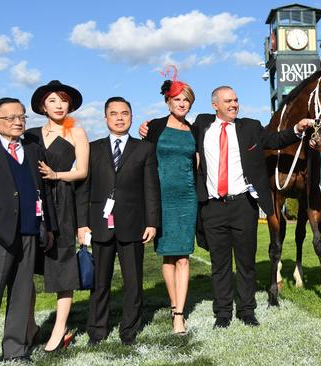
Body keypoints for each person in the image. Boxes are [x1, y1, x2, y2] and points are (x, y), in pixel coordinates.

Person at [190, 86, 310, 328]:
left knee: (246, 262)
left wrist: (297, 130)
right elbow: (176, 129)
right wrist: (149, 127)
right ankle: (222, 314)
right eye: (228, 101)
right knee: (220, 264)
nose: (234, 104)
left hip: (243, 205)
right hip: (212, 207)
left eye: (236, 99)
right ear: (215, 105)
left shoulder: (251, 127)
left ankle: (247, 311)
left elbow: (276, 140)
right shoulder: (202, 125)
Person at [0, 98, 56, 365]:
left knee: (21, 294)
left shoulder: (33, 150)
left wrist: (48, 226)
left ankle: (16, 350)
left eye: (21, 117)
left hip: (30, 232)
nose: (18, 122)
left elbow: (44, 191)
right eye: (10, 118)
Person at [76, 97, 161, 345]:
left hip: (133, 224)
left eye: (125, 113)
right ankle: (97, 331)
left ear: (131, 117)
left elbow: (151, 189)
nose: (120, 117)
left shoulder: (144, 149)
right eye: (114, 113)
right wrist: (82, 224)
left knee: (133, 283)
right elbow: (83, 189)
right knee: (100, 283)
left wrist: (152, 222)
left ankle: (129, 330)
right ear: (105, 118)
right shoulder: (92, 148)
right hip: (99, 225)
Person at [24, 80, 88, 351]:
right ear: (42, 106)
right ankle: (28, 326)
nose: (59, 105)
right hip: (34, 204)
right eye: (52, 100)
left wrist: (56, 175)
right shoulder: (30, 134)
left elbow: (83, 171)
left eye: (63, 100)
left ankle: (60, 329)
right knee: (25, 269)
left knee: (63, 267)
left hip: (62, 202)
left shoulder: (77, 132)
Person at [142, 75, 198, 334]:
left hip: (186, 198)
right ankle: (175, 303)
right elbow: (143, 162)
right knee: (168, 255)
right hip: (161, 199)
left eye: (186, 100)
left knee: (183, 257)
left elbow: (197, 163)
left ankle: (179, 314)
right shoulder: (153, 127)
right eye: (177, 99)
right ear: (168, 102)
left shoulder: (194, 129)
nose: (182, 104)